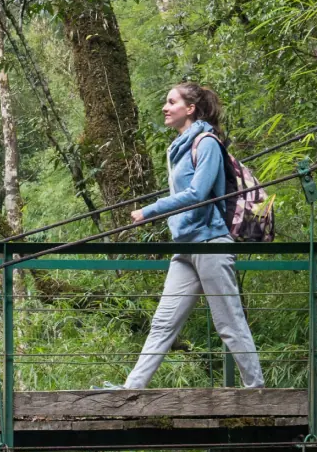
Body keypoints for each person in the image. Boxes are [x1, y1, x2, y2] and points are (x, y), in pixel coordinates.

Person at [102, 82, 266, 390]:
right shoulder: (177, 148)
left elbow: (199, 194)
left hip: (210, 243)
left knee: (228, 322)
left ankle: (256, 389)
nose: (165, 107)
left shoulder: (206, 143)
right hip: (186, 247)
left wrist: (151, 210)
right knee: (163, 322)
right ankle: (131, 389)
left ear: (189, 109)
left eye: (171, 102)